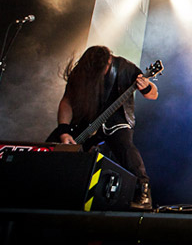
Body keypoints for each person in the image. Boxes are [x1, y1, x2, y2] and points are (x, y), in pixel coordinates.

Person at [52, 46, 158, 208]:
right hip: (88, 119)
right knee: (57, 147)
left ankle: (142, 191)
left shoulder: (125, 68)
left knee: (126, 148)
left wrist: (147, 87)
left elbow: (153, 95)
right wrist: (64, 131)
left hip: (117, 119)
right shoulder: (81, 72)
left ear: (109, 62)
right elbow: (67, 101)